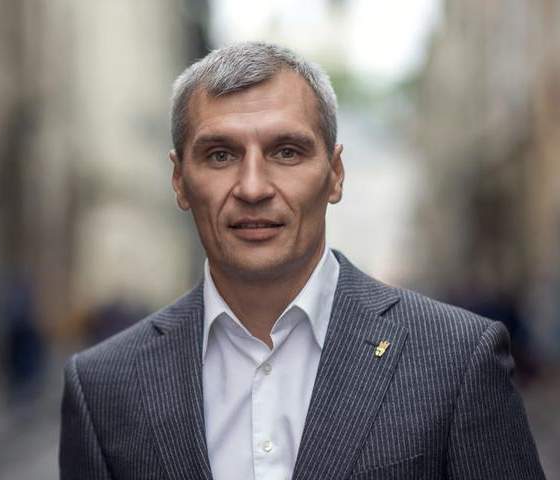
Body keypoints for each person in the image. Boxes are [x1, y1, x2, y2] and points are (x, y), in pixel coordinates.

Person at [59, 42, 545, 480]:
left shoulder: (456, 359)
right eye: (221, 155)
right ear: (179, 181)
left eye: (286, 152)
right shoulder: (103, 386)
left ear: (335, 174)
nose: (253, 188)